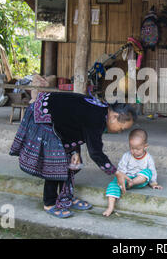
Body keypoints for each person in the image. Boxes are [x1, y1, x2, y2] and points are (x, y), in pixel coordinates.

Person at [9, 91, 137, 219]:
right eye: (121, 128)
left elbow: (72, 124)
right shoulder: (97, 118)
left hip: (54, 117)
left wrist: (75, 151)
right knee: (55, 163)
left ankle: (66, 197)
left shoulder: (102, 111)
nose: (120, 132)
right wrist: (117, 172)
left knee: (70, 161)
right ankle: (50, 203)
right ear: (114, 116)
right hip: (43, 115)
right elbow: (95, 153)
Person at [103, 129, 162, 217]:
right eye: (131, 148)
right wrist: (122, 179)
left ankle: (132, 182)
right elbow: (121, 170)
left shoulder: (148, 158)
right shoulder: (126, 156)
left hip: (139, 181)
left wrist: (153, 183)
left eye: (138, 149)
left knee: (148, 172)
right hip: (125, 181)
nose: (134, 151)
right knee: (112, 185)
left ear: (145, 146)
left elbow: (152, 171)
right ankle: (110, 207)